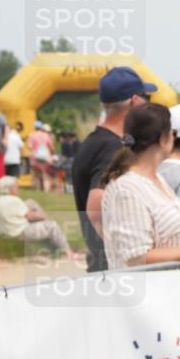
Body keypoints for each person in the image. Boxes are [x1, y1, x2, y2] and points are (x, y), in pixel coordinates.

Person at [101, 104, 180, 272]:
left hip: (173, 289)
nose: (174, 138)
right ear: (162, 139)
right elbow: (135, 258)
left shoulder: (156, 179)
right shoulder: (126, 191)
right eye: (173, 133)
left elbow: (170, 232)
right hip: (152, 294)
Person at [73, 66, 157, 271]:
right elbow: (95, 207)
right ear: (135, 101)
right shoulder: (114, 147)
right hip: (113, 270)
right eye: (147, 98)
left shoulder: (94, 141)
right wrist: (121, 249)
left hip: (100, 264)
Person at [0, 176, 82, 260]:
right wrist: (43, 216)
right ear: (9, 189)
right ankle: (68, 252)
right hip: (19, 232)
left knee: (30, 202)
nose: (17, 188)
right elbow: (30, 215)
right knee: (52, 225)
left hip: (4, 231)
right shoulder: (14, 200)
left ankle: (52, 239)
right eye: (15, 187)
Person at [27, 121, 56, 192]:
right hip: (45, 158)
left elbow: (30, 147)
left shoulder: (31, 135)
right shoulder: (47, 136)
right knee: (45, 176)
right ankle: (46, 191)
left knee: (36, 176)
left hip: (34, 158)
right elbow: (52, 147)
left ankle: (37, 190)